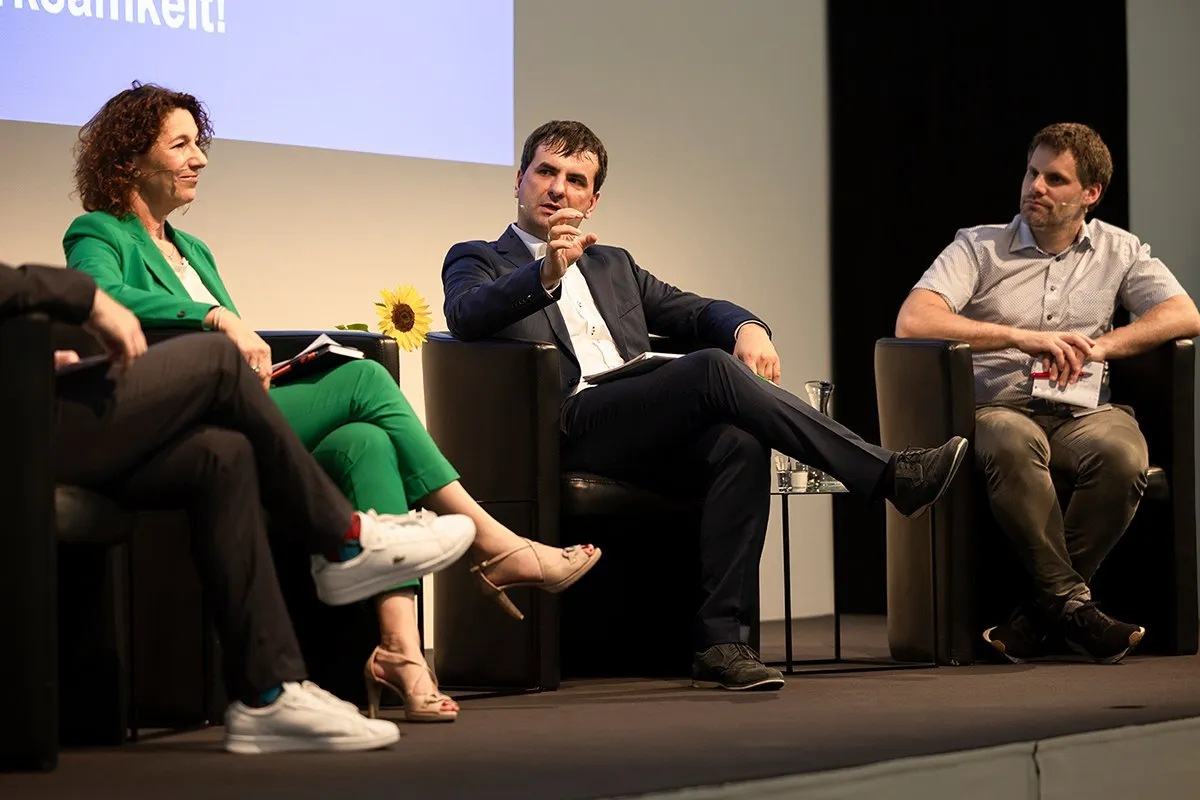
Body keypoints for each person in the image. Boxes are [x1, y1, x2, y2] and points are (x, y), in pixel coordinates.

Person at [63, 84, 601, 723]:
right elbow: (96, 296)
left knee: (365, 442)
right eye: (180, 145)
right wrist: (209, 316)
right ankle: (495, 543)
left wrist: (244, 345)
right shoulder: (99, 231)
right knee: (368, 382)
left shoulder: (195, 250)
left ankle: (401, 652)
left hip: (236, 404)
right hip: (175, 421)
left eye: (197, 144)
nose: (200, 159)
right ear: (128, 159)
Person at [441, 120, 969, 691]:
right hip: (564, 423)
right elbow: (466, 314)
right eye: (545, 172)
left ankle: (722, 642)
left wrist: (747, 326)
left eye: (575, 180)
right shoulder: (479, 258)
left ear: (592, 201)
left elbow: (695, 312)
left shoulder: (614, 265)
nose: (558, 189)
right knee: (713, 368)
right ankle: (889, 473)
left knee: (740, 443)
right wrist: (543, 272)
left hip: (633, 419)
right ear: (518, 181)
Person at [0, 262, 477, 752]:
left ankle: (268, 694)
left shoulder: (191, 250)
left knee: (223, 455)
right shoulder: (99, 235)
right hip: (22, 426)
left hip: (38, 400)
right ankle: (348, 542)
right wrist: (91, 298)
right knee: (222, 362)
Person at [895, 122, 1200, 665]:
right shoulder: (979, 246)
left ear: (1090, 193)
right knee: (1012, 443)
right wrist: (1020, 337)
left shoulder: (1118, 250)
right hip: (998, 408)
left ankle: (1042, 613)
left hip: (1085, 411)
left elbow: (1183, 314)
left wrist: (1104, 347)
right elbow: (915, 319)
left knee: (1123, 454)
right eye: (1032, 172)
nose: (1035, 186)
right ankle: (1075, 608)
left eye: (1054, 179)